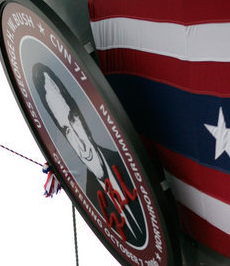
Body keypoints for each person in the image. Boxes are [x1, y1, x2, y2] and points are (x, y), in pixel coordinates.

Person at [32, 62, 147, 249]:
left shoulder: (127, 157)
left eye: (73, 119)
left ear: (82, 115)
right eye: (67, 131)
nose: (81, 143)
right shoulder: (91, 198)